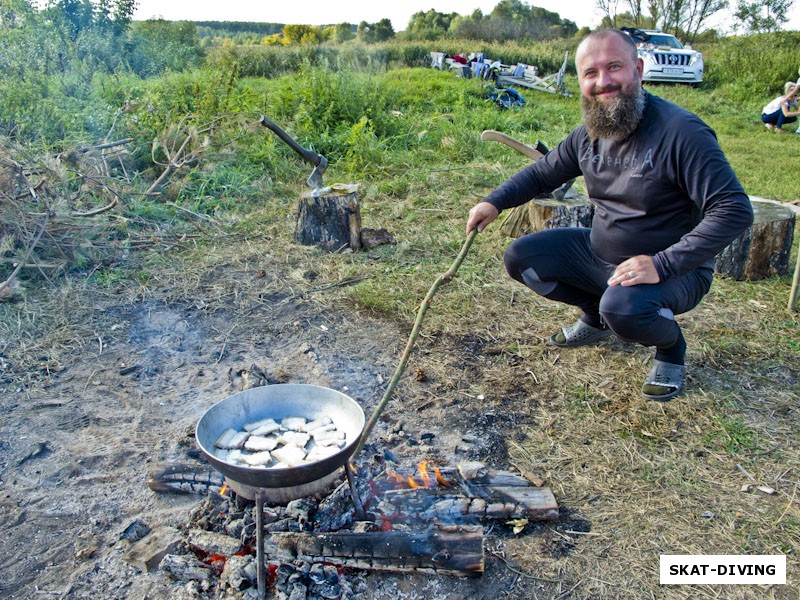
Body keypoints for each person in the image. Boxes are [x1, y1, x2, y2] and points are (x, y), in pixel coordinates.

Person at [465, 28, 754, 401]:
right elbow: (542, 172)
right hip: (599, 254)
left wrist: (662, 264)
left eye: (614, 67)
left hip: (674, 270)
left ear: (637, 68)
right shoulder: (589, 134)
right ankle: (596, 317)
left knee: (625, 310)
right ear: (581, 81)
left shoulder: (682, 132)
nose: (603, 82)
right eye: (591, 73)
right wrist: (494, 201)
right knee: (523, 259)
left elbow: (734, 207)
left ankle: (671, 349)